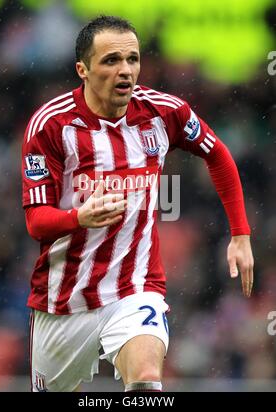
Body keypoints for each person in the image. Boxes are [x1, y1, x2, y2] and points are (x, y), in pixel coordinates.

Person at [22, 15, 254, 392]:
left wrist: (240, 234)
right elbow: (36, 221)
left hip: (135, 287)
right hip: (63, 299)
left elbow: (218, 155)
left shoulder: (164, 112)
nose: (125, 71)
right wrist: (78, 217)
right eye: (111, 61)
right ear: (82, 69)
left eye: (132, 59)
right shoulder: (52, 125)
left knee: (146, 381)